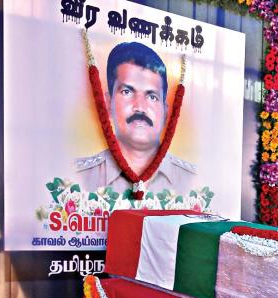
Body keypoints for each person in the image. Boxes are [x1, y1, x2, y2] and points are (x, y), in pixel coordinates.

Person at [76, 41, 196, 194]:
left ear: (166, 112)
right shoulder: (77, 177)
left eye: (152, 96)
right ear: (107, 102)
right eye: (127, 92)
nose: (140, 107)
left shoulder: (192, 181)